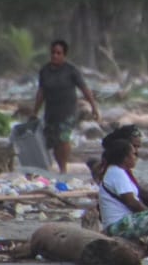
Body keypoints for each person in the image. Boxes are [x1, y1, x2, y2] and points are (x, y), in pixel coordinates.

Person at [32, 39, 99, 174]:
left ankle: (63, 168)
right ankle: (60, 166)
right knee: (54, 142)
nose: (55, 56)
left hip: (68, 112)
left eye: (58, 53)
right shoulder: (44, 71)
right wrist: (35, 111)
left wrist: (94, 107)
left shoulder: (71, 70)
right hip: (51, 112)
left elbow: (84, 89)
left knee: (63, 139)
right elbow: (41, 92)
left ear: (64, 55)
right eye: (53, 53)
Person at [98, 139, 148, 256]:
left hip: (122, 223)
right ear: (125, 158)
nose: (135, 157)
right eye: (133, 154)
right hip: (116, 226)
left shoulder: (118, 172)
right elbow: (131, 202)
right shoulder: (117, 173)